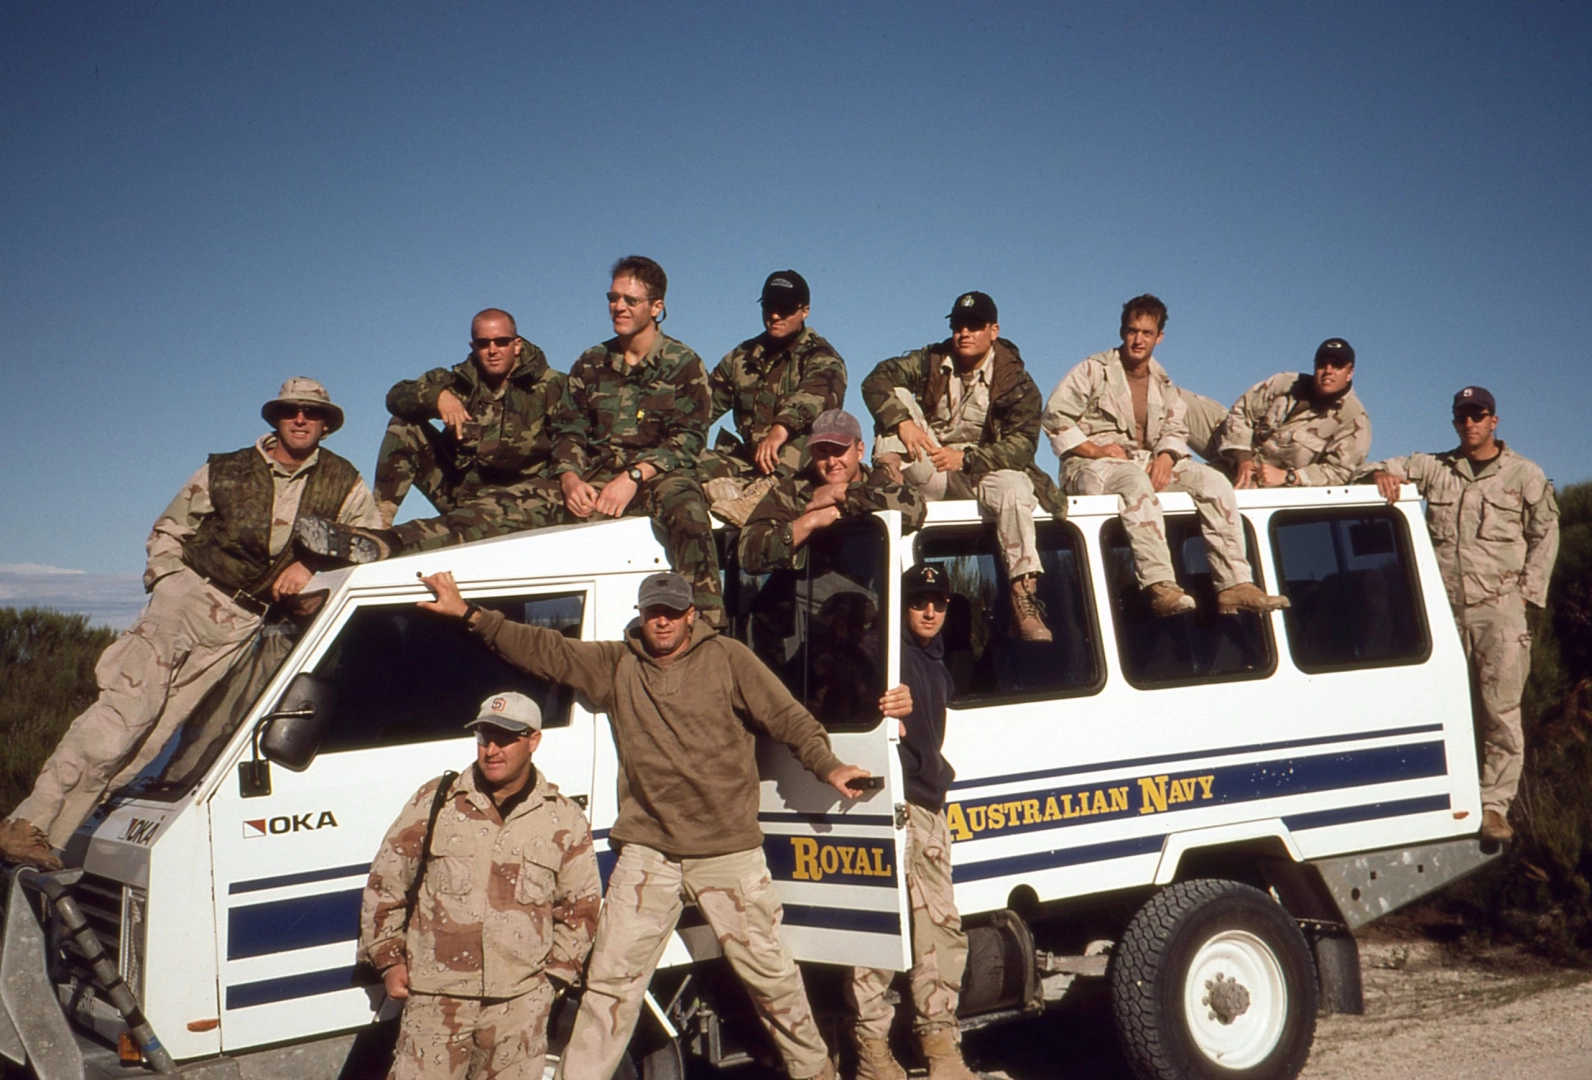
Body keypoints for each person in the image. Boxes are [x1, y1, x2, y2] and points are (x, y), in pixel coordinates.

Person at [416, 569, 876, 1080]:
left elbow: (789, 719)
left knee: (774, 981)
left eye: (672, 612)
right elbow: (542, 648)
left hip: (727, 854)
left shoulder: (729, 659)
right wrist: (469, 615)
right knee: (609, 988)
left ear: (690, 614)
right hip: (648, 855)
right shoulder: (617, 664)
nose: (662, 621)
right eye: (653, 612)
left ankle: (816, 1073)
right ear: (641, 616)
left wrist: (828, 766)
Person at [0, 378, 380, 870]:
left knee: (154, 736)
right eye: (291, 412)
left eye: (311, 413)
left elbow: (369, 538)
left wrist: (311, 566)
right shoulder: (227, 469)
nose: (301, 420)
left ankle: (51, 841)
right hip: (187, 600)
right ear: (276, 419)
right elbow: (168, 528)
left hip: (243, 620)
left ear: (327, 424)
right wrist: (169, 582)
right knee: (124, 716)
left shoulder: (342, 481)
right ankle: (27, 821)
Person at [359, 691, 601, 1080]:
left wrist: (551, 982)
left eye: (505, 738)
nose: (491, 750)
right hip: (436, 1003)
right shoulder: (437, 800)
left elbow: (582, 909)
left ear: (533, 740)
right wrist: (389, 960)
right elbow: (386, 882)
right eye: (484, 737)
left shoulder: (562, 818)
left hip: (518, 1007)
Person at [1367, 387, 1559, 843]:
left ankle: (1494, 806)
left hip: (1499, 611)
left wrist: (1526, 599)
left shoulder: (1523, 474)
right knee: (1440, 707)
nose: (1469, 423)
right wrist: (1379, 473)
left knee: (1500, 711)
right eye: (1462, 416)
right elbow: (1382, 466)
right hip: (1444, 612)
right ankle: (1442, 800)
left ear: (1494, 421)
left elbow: (1546, 532)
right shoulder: (1436, 468)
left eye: (1478, 415)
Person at [1042, 294, 1290, 618]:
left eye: (1146, 333)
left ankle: (1234, 585)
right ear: (1122, 331)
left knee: (1213, 482)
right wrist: (1095, 449)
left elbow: (1176, 425)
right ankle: (1161, 586)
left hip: (1144, 461)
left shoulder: (1163, 381)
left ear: (1159, 337)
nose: (1138, 340)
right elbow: (1054, 417)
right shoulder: (1093, 370)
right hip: (1091, 464)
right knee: (1133, 481)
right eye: (1132, 331)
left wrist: (1167, 457)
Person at [861, 291, 1064, 642]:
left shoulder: (1017, 383)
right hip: (932, 465)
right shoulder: (932, 360)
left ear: (994, 330)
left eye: (975, 325)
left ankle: (1024, 598)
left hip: (986, 469)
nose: (964, 333)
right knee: (897, 397)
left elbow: (1021, 447)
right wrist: (903, 423)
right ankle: (886, 480)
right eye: (958, 325)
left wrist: (966, 459)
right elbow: (875, 380)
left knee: (1017, 490)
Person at [297, 309, 565, 561]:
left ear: (516, 344)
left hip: (518, 502)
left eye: (501, 342)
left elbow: (573, 439)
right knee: (405, 424)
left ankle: (390, 543)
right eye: (483, 343)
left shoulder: (551, 386)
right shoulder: (458, 381)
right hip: (460, 492)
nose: (492, 350)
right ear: (473, 347)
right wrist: (437, 397)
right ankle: (375, 526)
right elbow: (397, 395)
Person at [846, 564, 977, 1080]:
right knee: (880, 935)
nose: (929, 611)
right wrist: (877, 701)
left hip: (926, 808)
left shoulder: (935, 660)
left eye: (939, 603)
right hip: (883, 808)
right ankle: (872, 1052)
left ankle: (941, 1049)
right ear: (901, 605)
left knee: (939, 933)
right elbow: (843, 688)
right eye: (919, 601)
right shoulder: (881, 652)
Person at [553, 256, 726, 626]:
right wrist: (569, 479)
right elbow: (569, 431)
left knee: (689, 512)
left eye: (630, 300)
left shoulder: (683, 363)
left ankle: (707, 630)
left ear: (656, 307)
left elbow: (689, 439)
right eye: (613, 298)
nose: (619, 307)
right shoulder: (590, 363)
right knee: (518, 510)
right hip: (595, 477)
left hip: (656, 476)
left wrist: (633, 477)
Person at [698, 270, 848, 523]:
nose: (775, 316)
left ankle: (762, 499)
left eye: (786, 308)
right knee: (684, 455)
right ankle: (725, 489)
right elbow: (702, 407)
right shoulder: (741, 357)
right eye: (769, 307)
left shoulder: (821, 356)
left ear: (805, 311)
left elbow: (815, 395)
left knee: (809, 439)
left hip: (797, 468)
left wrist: (780, 430)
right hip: (749, 463)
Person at [738, 409, 925, 573]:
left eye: (839, 451)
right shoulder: (792, 490)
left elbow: (915, 509)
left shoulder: (877, 483)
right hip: (804, 602)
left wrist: (842, 493)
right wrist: (809, 522)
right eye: (822, 452)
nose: (831, 462)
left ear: (859, 451)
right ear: (812, 454)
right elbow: (748, 554)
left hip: (873, 602)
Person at [1221, 337, 1372, 488]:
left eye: (1337, 366)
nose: (1328, 371)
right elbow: (1241, 412)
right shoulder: (1285, 382)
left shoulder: (1354, 418)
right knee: (1196, 405)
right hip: (1237, 450)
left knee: (1217, 491)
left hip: (1267, 479)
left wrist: (1290, 477)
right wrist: (1243, 458)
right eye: (1321, 364)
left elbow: (1341, 471)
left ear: (1349, 373)